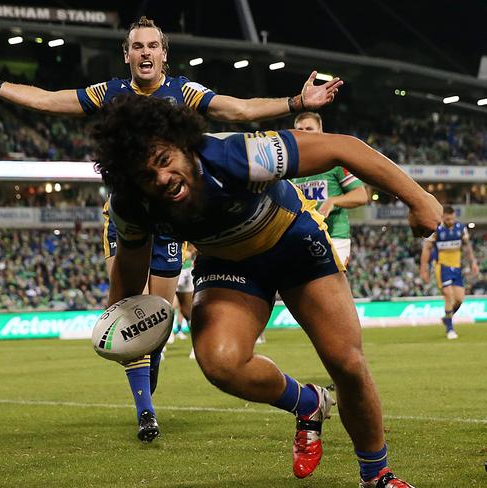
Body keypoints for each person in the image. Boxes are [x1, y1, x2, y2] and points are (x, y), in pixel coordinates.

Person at [0, 16, 342, 442]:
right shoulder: (111, 93)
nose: (144, 52)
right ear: (127, 55)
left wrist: (295, 101)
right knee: (131, 311)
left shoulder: (184, 92)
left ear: (163, 54)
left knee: (154, 316)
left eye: (151, 46)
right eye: (136, 46)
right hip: (131, 216)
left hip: (175, 218)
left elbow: (238, 109)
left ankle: (150, 363)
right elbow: (49, 100)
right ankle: (146, 412)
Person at [91, 95, 441, 486]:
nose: (161, 179)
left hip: (293, 240)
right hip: (227, 265)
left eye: (163, 160)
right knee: (220, 361)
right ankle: (308, 403)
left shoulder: (236, 156)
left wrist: (418, 198)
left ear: (184, 143)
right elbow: (132, 267)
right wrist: (117, 321)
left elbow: (344, 148)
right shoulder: (131, 205)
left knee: (346, 363)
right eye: (144, 175)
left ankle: (376, 476)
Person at [291, 112, 368, 266]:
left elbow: (361, 195)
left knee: (332, 287)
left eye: (309, 128)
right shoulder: (291, 167)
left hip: (334, 237)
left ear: (320, 131)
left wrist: (333, 201)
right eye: (300, 130)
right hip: (302, 237)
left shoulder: (334, 161)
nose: (304, 133)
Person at [420, 206, 479, 339]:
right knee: (449, 295)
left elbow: (467, 247)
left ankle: (447, 318)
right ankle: (450, 329)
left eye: (452, 218)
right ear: (443, 217)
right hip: (442, 267)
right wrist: (424, 269)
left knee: (459, 300)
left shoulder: (460, 228)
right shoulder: (436, 229)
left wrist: (473, 263)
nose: (450, 221)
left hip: (456, 267)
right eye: (447, 219)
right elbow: (427, 248)